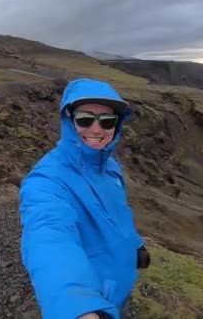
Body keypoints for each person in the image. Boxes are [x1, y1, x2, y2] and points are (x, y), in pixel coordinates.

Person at [19, 78, 150, 319]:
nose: (97, 130)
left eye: (107, 121)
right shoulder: (46, 181)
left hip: (120, 285)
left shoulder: (109, 167)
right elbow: (49, 238)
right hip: (96, 300)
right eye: (85, 119)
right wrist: (79, 308)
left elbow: (118, 213)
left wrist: (135, 243)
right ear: (69, 120)